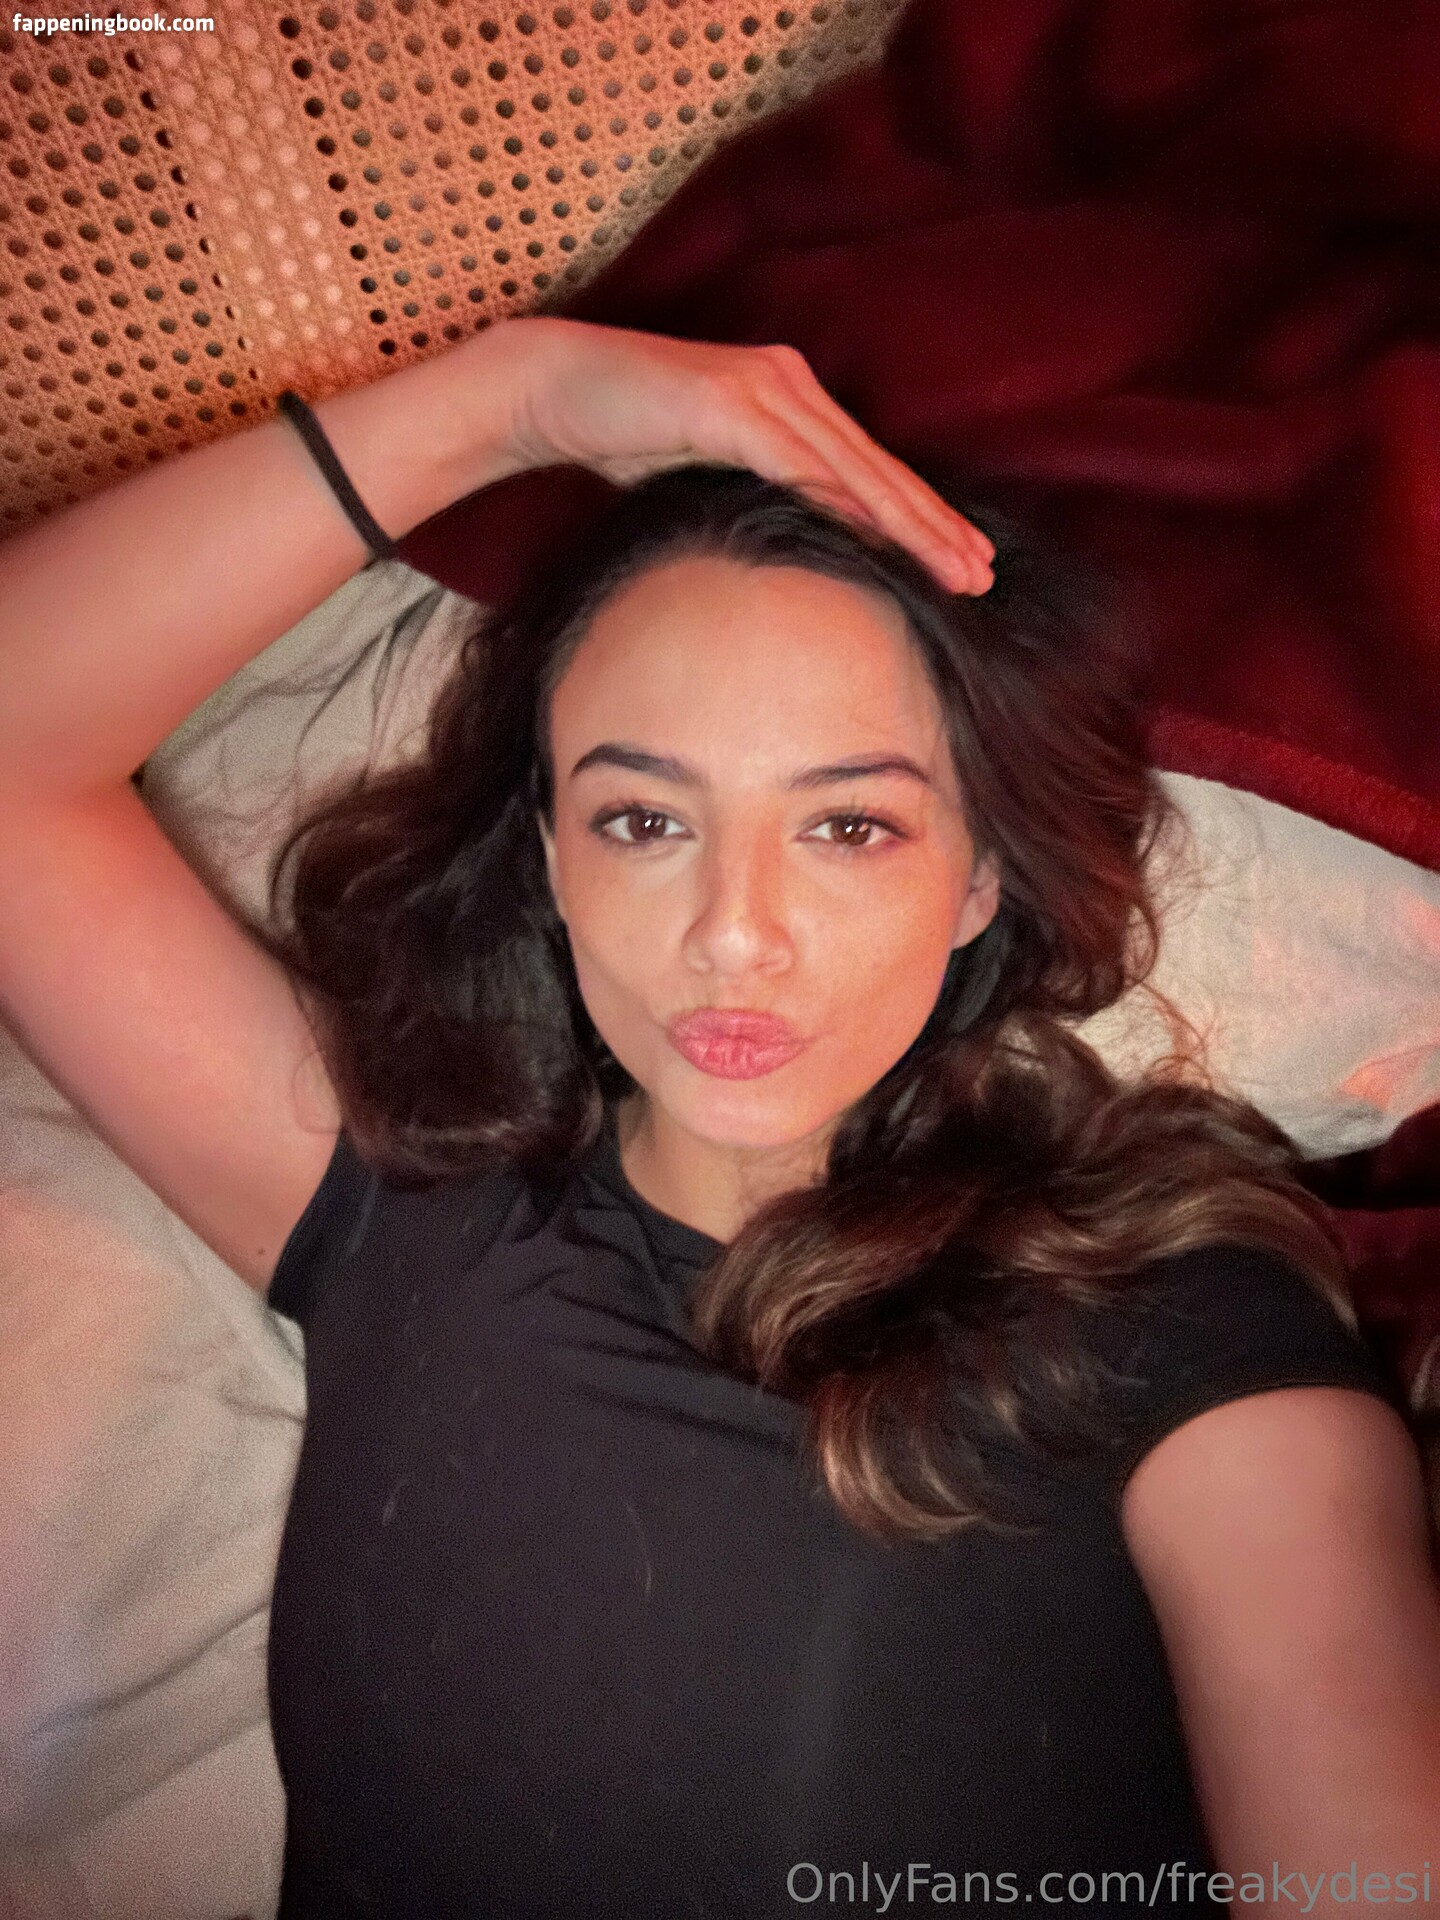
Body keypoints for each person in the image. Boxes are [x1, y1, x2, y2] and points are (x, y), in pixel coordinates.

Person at [0, 315, 1435, 1919]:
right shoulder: (404, 1218)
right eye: (642, 819)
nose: (734, 935)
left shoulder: (1168, 1320)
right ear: (550, 856)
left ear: (978, 879)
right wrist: (514, 395)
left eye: (848, 826)